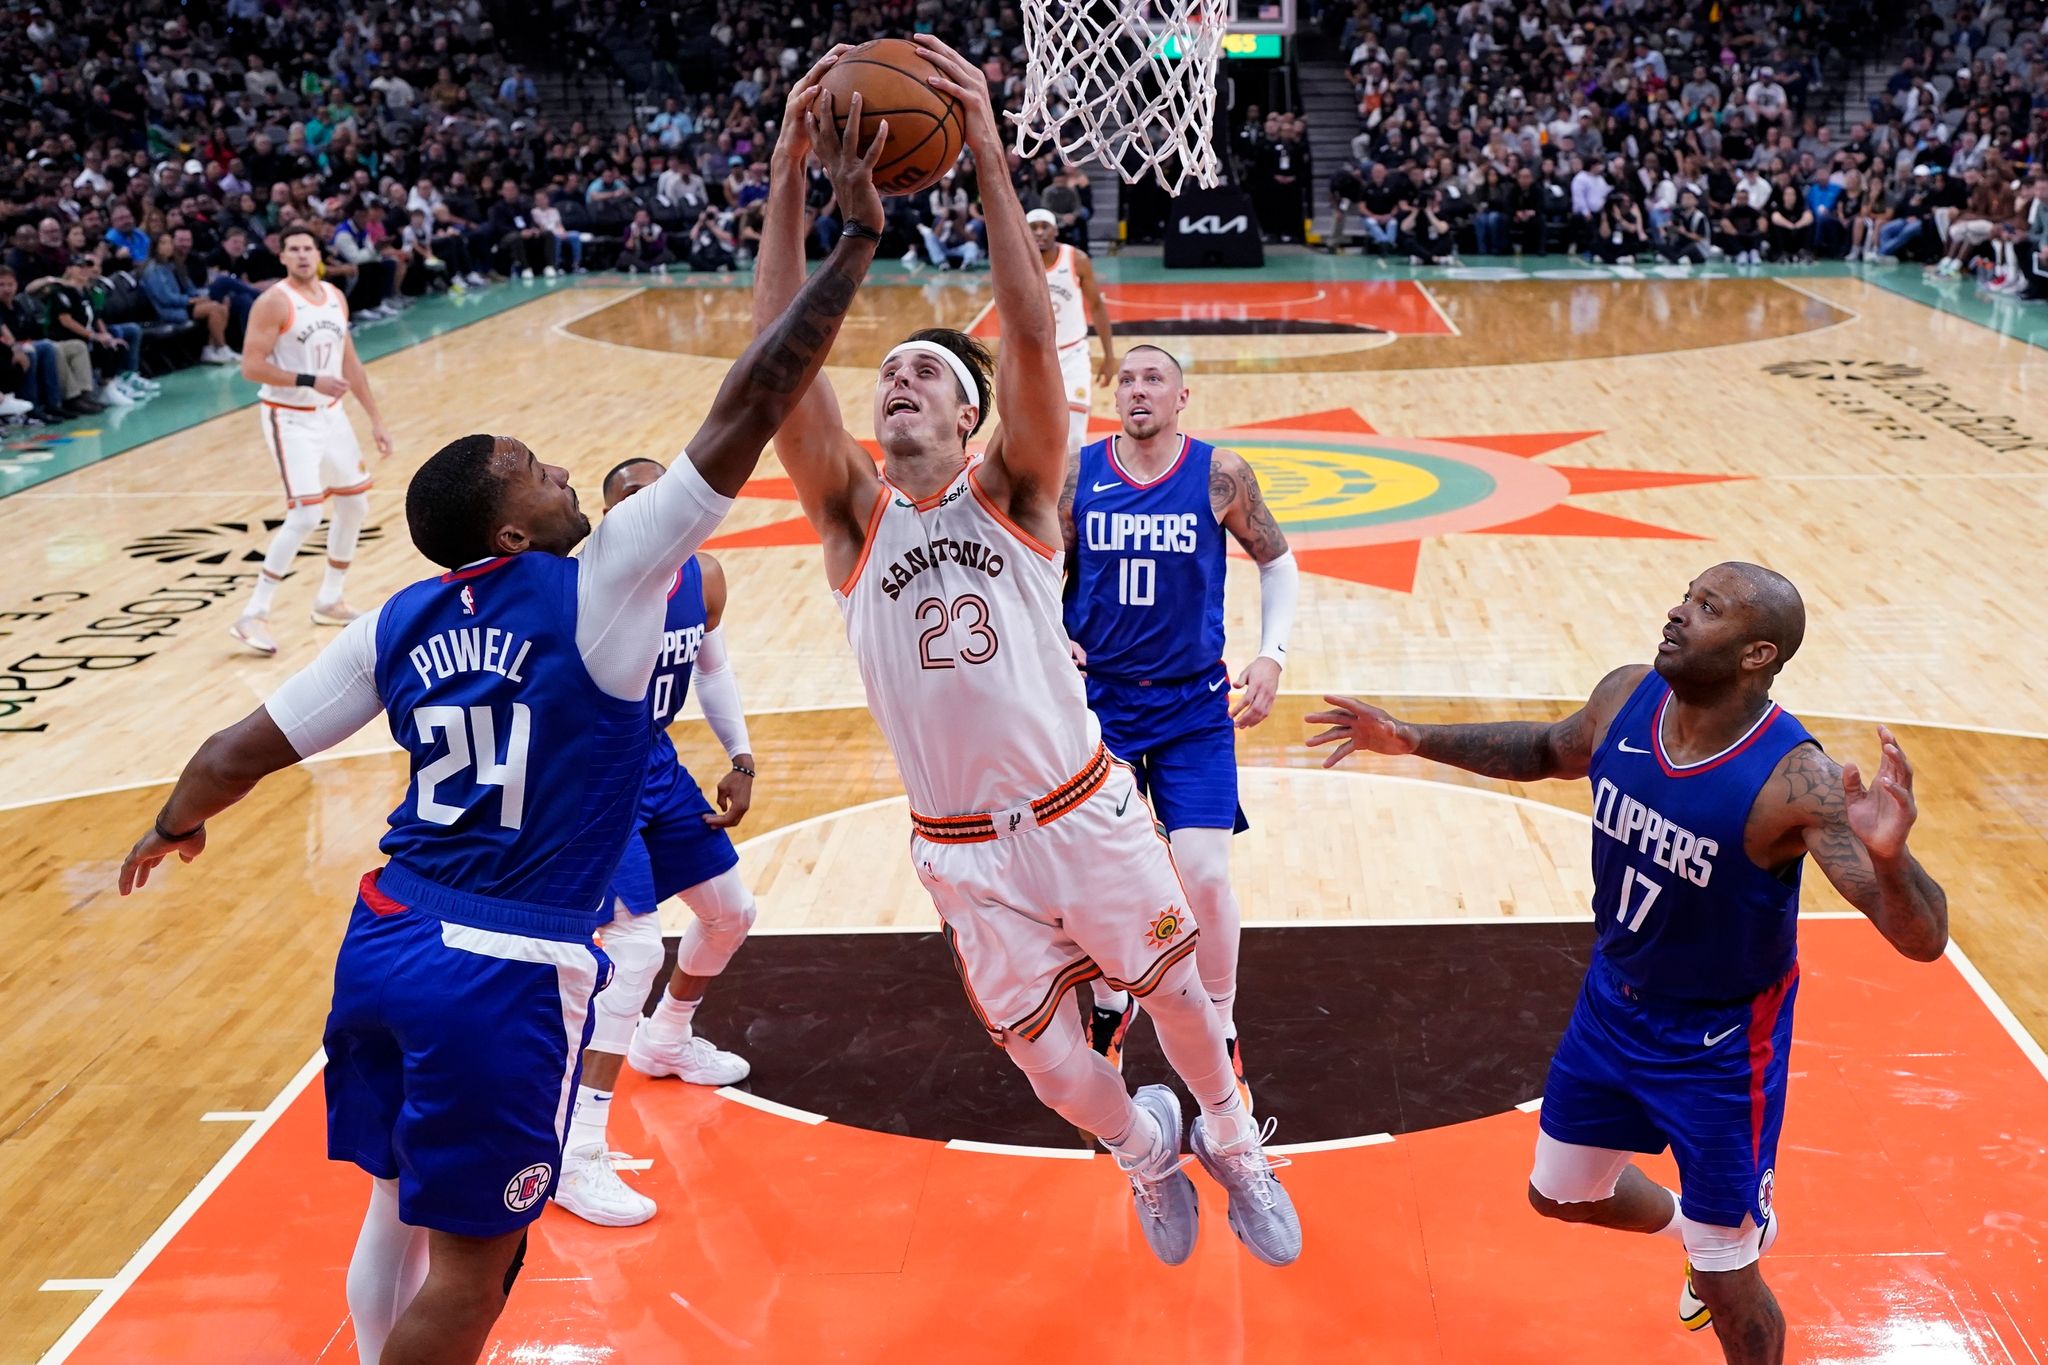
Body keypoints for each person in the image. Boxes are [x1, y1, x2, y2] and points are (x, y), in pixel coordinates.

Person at [112, 102, 886, 1365]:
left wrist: (172, 826)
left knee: (393, 1202)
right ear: (511, 533)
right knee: (481, 1269)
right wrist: (850, 246)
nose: (565, 474)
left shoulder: (398, 621)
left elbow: (230, 753)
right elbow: (754, 398)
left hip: (386, 935)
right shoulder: (609, 581)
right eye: (535, 468)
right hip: (501, 971)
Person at [753, 40, 1302, 1269]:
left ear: (968, 415)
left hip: (1078, 808)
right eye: (884, 373)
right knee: (1057, 1076)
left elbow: (1043, 357)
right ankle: (1145, 1151)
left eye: (925, 377)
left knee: (1179, 999)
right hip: (959, 849)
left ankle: (1233, 1143)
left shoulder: (1017, 496)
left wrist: (990, 156)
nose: (895, 382)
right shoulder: (852, 518)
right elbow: (780, 370)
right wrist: (790, 174)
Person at [1306, 563, 1949, 1365]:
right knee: (1560, 1193)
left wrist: (1891, 859)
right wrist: (1411, 738)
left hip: (1718, 1045)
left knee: (1728, 1281)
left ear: (1757, 653)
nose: (1679, 612)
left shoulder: (1796, 777)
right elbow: (1548, 746)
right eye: (1687, 594)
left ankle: (1722, 1250)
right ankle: (1701, 1232)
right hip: (1611, 1005)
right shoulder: (1626, 696)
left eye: (1706, 608)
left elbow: (1921, 939)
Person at [1053, 340, 1295, 1103]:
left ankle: (1219, 1019)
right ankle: (1109, 1006)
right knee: (1097, 879)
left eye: (1153, 379)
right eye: (1126, 379)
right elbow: (1035, 567)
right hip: (1101, 707)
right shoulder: (1079, 474)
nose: (1137, 390)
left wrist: (1272, 655)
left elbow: (1276, 558)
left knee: (1206, 873)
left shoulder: (1220, 474)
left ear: (1181, 397)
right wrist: (1051, 637)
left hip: (1193, 704)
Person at [554, 456, 762, 1228]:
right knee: (635, 949)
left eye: (654, 493)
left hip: (658, 763)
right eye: (626, 498)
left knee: (731, 912)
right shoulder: (586, 585)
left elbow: (712, 667)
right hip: (590, 780)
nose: (645, 508)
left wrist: (739, 757)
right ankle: (575, 1157)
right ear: (608, 520)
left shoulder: (702, 576)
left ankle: (665, 1038)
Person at [228, 225, 394, 656]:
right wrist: (310, 380)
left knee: (355, 504)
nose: (302, 255)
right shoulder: (274, 301)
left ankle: (329, 599)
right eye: (294, 249)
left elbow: (350, 362)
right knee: (305, 515)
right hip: (289, 417)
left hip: (331, 415)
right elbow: (250, 366)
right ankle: (254, 613)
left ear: (318, 254)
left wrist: (375, 418)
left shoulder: (335, 297)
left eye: (308, 248)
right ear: (282, 257)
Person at [1027, 207, 1114, 454]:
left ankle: (1075, 492)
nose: (1040, 232)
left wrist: (1109, 356)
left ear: (1056, 230)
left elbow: (1097, 306)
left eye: (1045, 226)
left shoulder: (1076, 259)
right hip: (1036, 358)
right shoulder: (1017, 263)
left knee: (1075, 439)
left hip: (1073, 354)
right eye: (1034, 227)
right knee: (1038, 438)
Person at [140, 234, 236, 364]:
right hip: (169, 310)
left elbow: (190, 288)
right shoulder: (152, 270)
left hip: (183, 304)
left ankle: (211, 349)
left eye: (170, 243)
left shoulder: (174, 264)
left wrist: (199, 297)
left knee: (222, 305)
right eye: (163, 243)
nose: (168, 246)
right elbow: (165, 298)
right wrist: (189, 301)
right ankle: (222, 348)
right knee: (214, 309)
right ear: (155, 247)